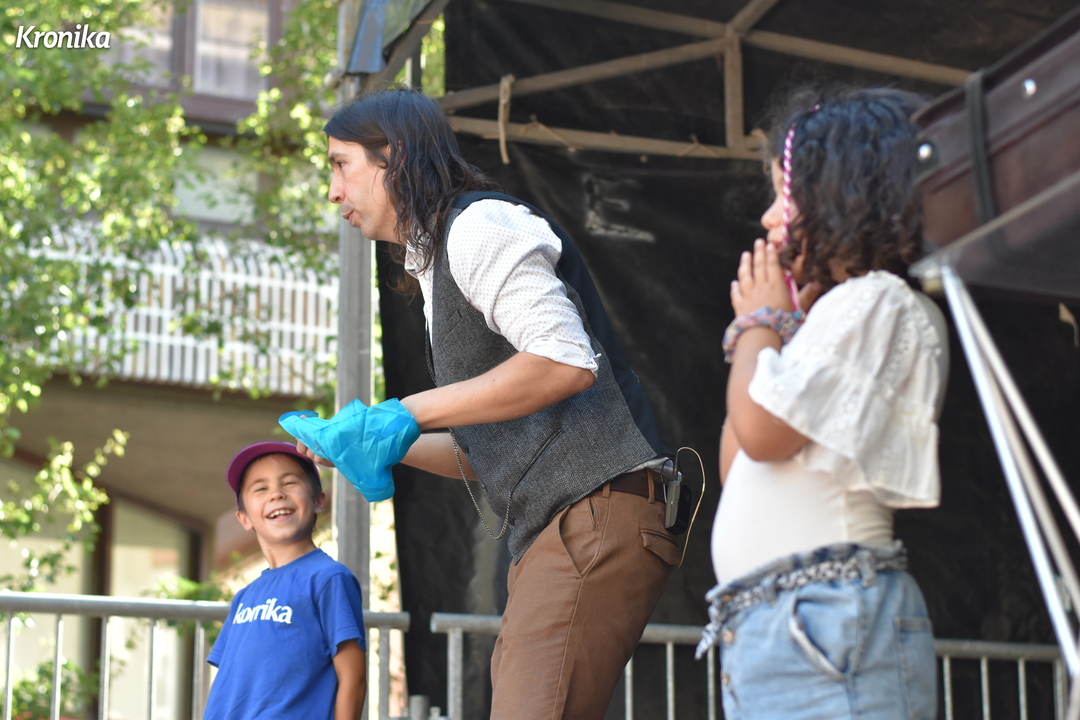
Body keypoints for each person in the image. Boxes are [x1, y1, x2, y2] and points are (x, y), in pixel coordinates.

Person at [299, 87, 678, 720]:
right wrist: (379, 442)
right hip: (561, 525)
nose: (333, 191)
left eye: (341, 164)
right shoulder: (437, 267)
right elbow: (486, 452)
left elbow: (564, 361)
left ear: (395, 156)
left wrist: (406, 411)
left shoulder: (479, 226)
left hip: (594, 507)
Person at [697, 87, 949, 720]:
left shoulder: (877, 302)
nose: (769, 220)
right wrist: (775, 335)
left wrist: (758, 325)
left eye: (785, 197)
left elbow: (761, 434)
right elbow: (739, 460)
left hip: (825, 619)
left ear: (845, 198)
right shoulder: (833, 318)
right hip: (779, 624)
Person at [203, 441, 367, 720]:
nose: (277, 494)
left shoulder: (329, 578)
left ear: (318, 501)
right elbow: (231, 683)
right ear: (244, 518)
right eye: (260, 488)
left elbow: (353, 678)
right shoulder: (244, 596)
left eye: (290, 483)